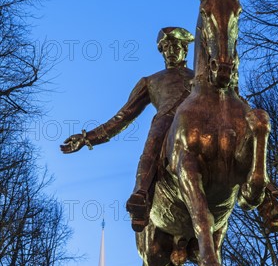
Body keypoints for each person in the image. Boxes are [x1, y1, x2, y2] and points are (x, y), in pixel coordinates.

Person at [60, 27, 195, 232]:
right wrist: (88, 138)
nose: (170, 51)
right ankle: (141, 194)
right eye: (165, 47)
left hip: (197, 124)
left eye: (175, 46)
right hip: (167, 121)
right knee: (156, 134)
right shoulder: (150, 81)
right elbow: (123, 117)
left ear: (185, 49)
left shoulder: (201, 77)